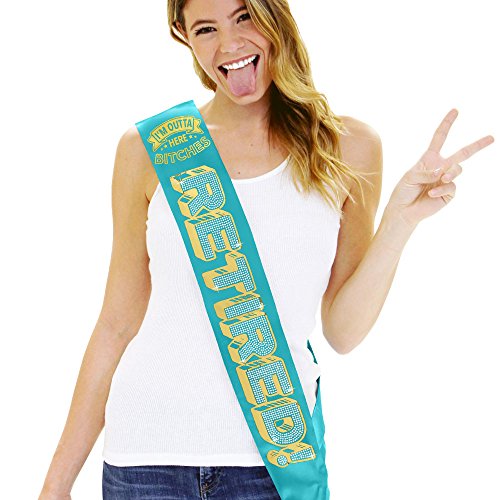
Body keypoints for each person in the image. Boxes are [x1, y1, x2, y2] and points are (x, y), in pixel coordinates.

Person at [39, 0, 494, 499]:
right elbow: (116, 324)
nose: (229, 43)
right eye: (206, 28)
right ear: (183, 35)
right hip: (145, 460)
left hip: (274, 464)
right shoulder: (149, 148)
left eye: (244, 16)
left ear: (275, 15)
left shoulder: (347, 147)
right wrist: (56, 485)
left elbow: (342, 333)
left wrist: (400, 222)